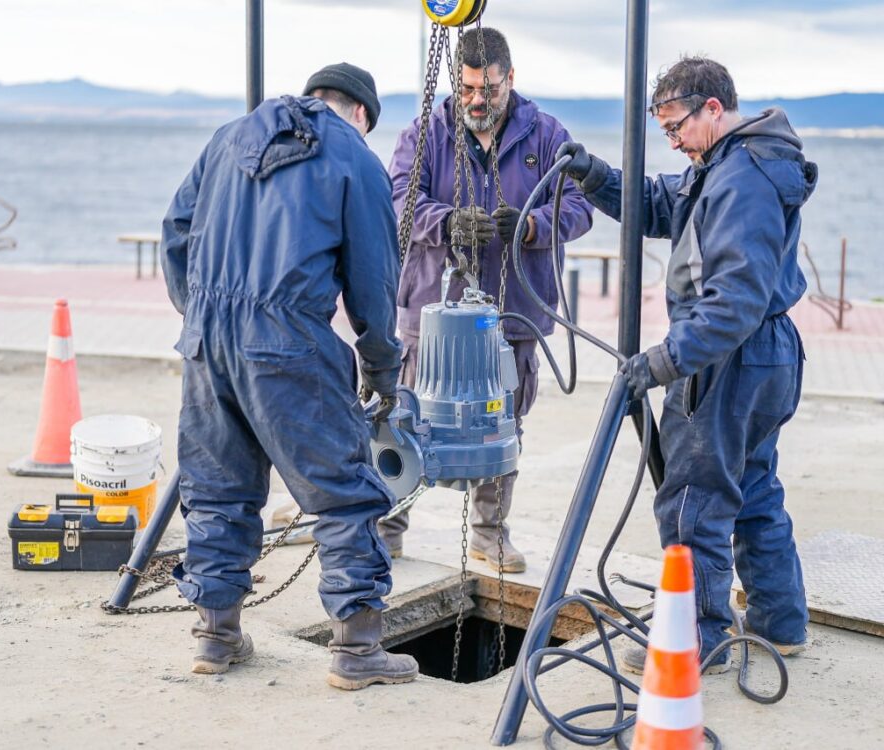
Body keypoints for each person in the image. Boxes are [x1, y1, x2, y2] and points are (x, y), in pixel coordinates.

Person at [161, 62, 418, 690]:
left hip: (207, 341)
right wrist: (382, 369)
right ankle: (357, 649)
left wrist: (199, 312)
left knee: (218, 488)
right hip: (287, 342)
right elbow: (374, 282)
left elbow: (175, 232)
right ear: (360, 113)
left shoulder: (229, 137)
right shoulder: (354, 157)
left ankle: (216, 636)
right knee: (343, 491)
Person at [559, 56, 816, 672]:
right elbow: (659, 202)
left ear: (713, 109)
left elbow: (735, 300)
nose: (671, 140)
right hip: (766, 356)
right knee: (752, 488)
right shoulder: (726, 166)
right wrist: (595, 177)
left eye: (676, 126)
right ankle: (781, 626)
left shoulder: (742, 179)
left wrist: (665, 361)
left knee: (693, 501)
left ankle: (697, 642)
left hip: (729, 358)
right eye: (664, 129)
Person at [385, 27, 594, 572]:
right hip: (431, 312)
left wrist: (530, 226)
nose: (479, 101)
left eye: (491, 90)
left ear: (511, 80)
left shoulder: (547, 136)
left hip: (514, 311)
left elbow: (578, 206)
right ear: (457, 80)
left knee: (504, 422)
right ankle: (385, 528)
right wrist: (447, 221)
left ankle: (489, 532)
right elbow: (401, 198)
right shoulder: (426, 132)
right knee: (406, 416)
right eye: (470, 89)